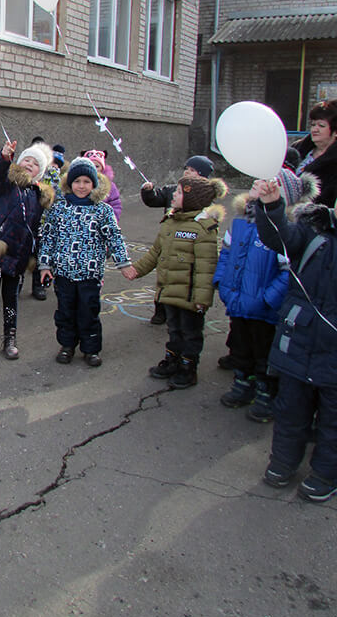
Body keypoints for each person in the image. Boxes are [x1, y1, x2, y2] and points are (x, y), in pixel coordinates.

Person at [254, 175, 337, 502]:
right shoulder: (314, 230)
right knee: (290, 410)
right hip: (298, 343)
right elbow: (279, 238)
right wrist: (271, 205)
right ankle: (283, 462)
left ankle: (326, 473)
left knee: (333, 420)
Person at [213, 169, 318, 421]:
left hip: (265, 309)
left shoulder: (286, 230)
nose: (258, 184)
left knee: (265, 351)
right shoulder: (239, 223)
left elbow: (287, 272)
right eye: (258, 181)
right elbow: (226, 254)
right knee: (240, 344)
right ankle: (243, 380)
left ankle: (266, 390)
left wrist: (267, 299)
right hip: (238, 301)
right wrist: (222, 283)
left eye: (268, 183)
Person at [123, 174, 227, 388]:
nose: (173, 195)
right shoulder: (170, 222)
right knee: (174, 329)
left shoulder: (203, 228)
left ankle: (188, 368)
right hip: (169, 290)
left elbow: (206, 267)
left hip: (190, 297)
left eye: (178, 192)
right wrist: (136, 270)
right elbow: (155, 252)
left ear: (191, 199)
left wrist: (202, 299)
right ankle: (172, 359)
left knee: (191, 333)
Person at [38, 156, 132, 366]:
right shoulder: (59, 209)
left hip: (90, 274)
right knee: (65, 312)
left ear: (94, 184)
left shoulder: (102, 210)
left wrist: (123, 263)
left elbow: (114, 237)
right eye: (77, 181)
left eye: (87, 182)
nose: (81, 186)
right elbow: (48, 237)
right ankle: (67, 345)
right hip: (63, 273)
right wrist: (44, 265)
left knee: (89, 312)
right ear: (69, 183)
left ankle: (91, 349)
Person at [0, 140, 54, 360]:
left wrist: (34, 256)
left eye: (35, 164)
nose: (30, 164)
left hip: (18, 255)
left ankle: (10, 338)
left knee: (11, 298)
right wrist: (4, 157)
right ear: (18, 162)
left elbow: (36, 229)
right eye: (26, 160)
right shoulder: (6, 185)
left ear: (40, 172)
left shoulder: (38, 196)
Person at [140, 154, 215, 326]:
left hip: (187, 247)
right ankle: (160, 310)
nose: (187, 173)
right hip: (169, 242)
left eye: (193, 170)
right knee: (164, 276)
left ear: (203, 176)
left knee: (182, 280)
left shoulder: (203, 198)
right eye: (186, 169)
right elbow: (154, 200)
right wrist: (148, 191)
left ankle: (183, 314)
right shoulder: (173, 190)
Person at [31, 142, 66, 300]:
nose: (53, 167)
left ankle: (41, 284)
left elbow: (60, 199)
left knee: (45, 256)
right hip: (36, 221)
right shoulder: (38, 178)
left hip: (51, 224)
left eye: (57, 164)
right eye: (51, 163)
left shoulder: (60, 181)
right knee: (32, 254)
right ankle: (24, 283)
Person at [292, 100, 337, 207]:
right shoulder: (296, 150)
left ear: (335, 132)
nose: (315, 129)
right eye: (313, 125)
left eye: (321, 126)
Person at [83, 149, 122, 222]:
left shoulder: (110, 185)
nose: (93, 168)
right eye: (90, 165)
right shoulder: (79, 183)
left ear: (102, 168)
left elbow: (115, 204)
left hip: (102, 222)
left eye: (97, 166)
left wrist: (111, 220)